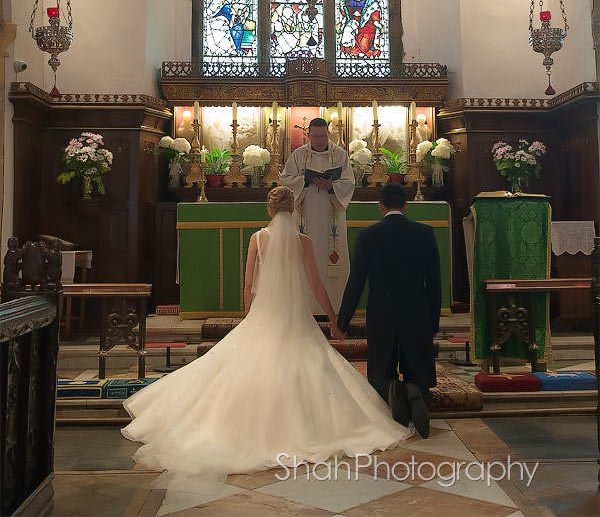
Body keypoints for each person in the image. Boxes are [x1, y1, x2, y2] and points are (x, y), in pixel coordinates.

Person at [122, 186, 412, 514]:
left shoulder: (258, 240)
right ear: (295, 211)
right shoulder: (303, 241)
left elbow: (249, 285)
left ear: (269, 210)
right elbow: (317, 285)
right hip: (296, 322)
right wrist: (333, 319)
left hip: (264, 318)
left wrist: (250, 319)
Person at [337, 183, 442, 439]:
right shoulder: (425, 234)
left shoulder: (368, 235)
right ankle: (415, 390)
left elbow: (356, 282)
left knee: (380, 370)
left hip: (382, 313)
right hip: (417, 312)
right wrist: (433, 321)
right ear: (406, 206)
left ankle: (392, 387)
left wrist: (342, 322)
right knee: (419, 368)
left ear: (380, 206)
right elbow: (436, 282)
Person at [280, 117, 355, 313]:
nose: (320, 140)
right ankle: (306, 309)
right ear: (308, 135)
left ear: (328, 134)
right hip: (306, 216)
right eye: (315, 136)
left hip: (332, 219)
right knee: (306, 257)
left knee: (331, 259)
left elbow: (349, 182)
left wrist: (331, 186)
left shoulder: (340, 155)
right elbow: (286, 179)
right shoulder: (297, 155)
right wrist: (305, 181)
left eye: (323, 136)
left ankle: (334, 309)